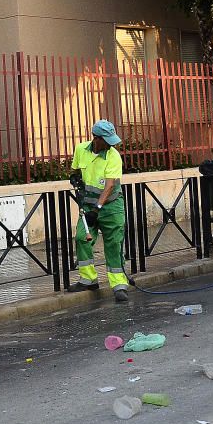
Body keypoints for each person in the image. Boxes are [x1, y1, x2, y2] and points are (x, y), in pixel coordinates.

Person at [66, 120, 129, 302]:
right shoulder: (80, 150)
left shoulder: (113, 156)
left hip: (111, 206)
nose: (112, 143)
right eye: (107, 140)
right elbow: (75, 170)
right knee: (81, 238)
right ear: (96, 138)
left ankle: (119, 285)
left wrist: (97, 209)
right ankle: (88, 279)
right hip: (88, 205)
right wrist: (74, 179)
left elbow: (109, 186)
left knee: (114, 243)